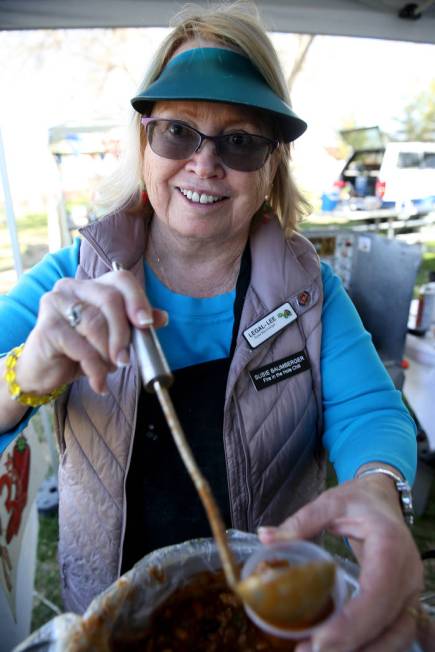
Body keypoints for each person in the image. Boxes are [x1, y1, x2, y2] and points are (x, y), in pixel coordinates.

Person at [0, 3, 428, 650]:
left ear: (270, 167)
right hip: (115, 616)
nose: (204, 164)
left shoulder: (310, 294)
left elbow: (370, 411)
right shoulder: (70, 281)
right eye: (177, 132)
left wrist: (378, 490)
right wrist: (25, 373)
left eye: (240, 140)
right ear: (143, 142)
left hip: (265, 616)